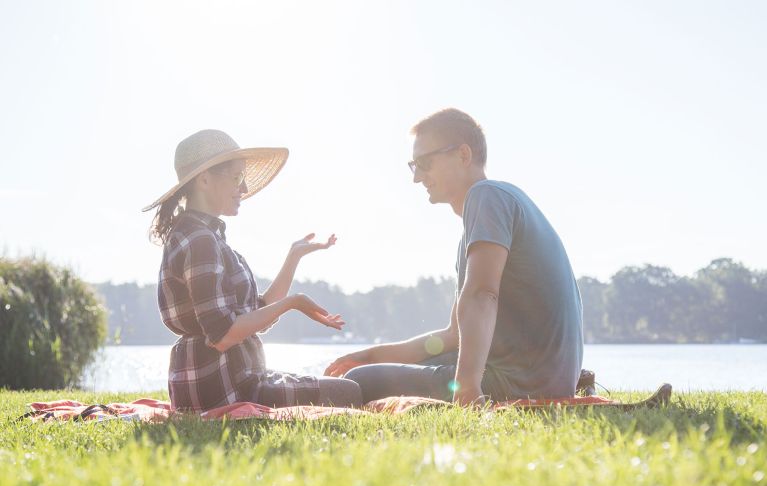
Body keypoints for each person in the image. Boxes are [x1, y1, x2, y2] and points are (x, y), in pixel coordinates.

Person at [325, 109, 583, 405]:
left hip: (522, 384)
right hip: (538, 379)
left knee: (359, 382)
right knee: (365, 370)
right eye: (413, 165)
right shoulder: (487, 216)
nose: (417, 177)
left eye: (424, 163)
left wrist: (467, 390)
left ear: (463, 154)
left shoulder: (486, 196)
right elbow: (452, 337)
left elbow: (482, 294)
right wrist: (366, 355)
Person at [143, 129, 362, 412]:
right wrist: (292, 303)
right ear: (205, 179)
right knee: (350, 392)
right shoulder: (200, 241)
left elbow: (253, 313)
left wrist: (293, 257)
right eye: (237, 178)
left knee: (347, 387)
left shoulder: (202, 236)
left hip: (226, 381)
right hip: (224, 388)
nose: (244, 189)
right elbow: (223, 336)